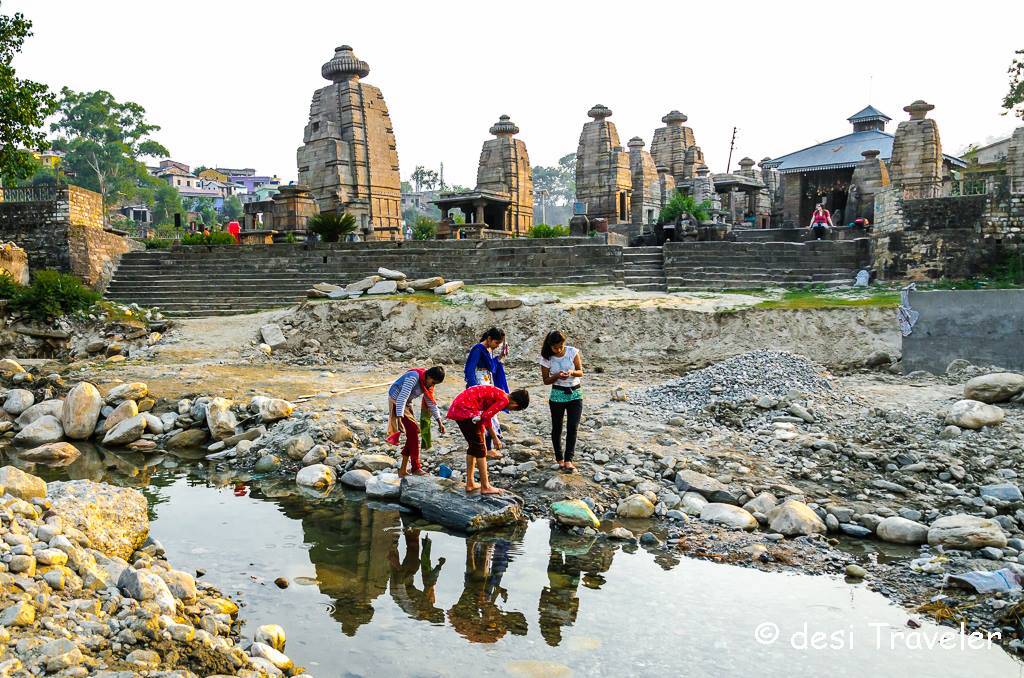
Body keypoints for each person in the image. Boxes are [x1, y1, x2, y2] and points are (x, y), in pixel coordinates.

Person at [447, 385, 529, 494]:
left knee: (473, 447)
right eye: (513, 409)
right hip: (467, 410)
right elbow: (486, 416)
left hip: (460, 407)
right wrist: (495, 437)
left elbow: (487, 415)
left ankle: (470, 483)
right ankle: (485, 486)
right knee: (481, 450)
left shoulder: (500, 393)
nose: (510, 409)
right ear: (515, 405)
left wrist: (490, 434)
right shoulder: (504, 400)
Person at [387, 366, 447, 477]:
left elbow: (431, 403)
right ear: (428, 376)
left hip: (406, 403)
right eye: (433, 382)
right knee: (413, 432)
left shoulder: (427, 384)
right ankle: (416, 468)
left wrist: (439, 421)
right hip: (397, 401)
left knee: (412, 434)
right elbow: (402, 397)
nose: (432, 385)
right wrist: (399, 418)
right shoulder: (413, 377)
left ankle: (403, 470)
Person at [539, 330, 584, 473]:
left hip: (575, 394)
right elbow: (546, 380)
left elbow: (580, 372)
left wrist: (571, 372)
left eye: (561, 346)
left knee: (573, 427)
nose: (558, 350)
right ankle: (559, 459)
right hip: (557, 394)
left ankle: (569, 459)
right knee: (557, 427)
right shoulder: (546, 358)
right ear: (549, 346)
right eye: (555, 348)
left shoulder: (572, 352)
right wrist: (557, 376)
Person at [464, 328, 509, 458]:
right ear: (489, 339)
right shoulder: (478, 349)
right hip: (479, 385)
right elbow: (470, 369)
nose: (497, 346)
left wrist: (500, 357)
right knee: (484, 414)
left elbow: (491, 367)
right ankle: (486, 447)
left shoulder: (488, 350)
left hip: (487, 382)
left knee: (489, 412)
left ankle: (486, 446)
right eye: (496, 342)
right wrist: (474, 389)